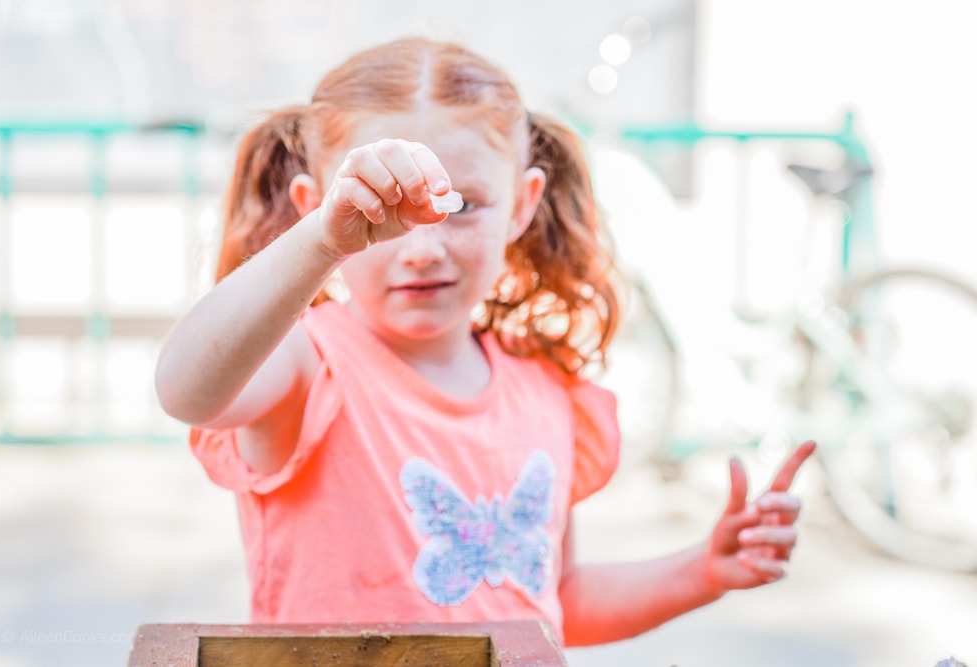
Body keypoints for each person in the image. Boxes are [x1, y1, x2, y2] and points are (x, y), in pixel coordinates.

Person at [154, 36, 816, 647]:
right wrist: (325, 241)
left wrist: (702, 570)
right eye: (379, 213)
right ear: (312, 205)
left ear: (523, 203)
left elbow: (554, 601)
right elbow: (185, 386)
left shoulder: (548, 390)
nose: (422, 246)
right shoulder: (307, 367)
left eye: (462, 205)